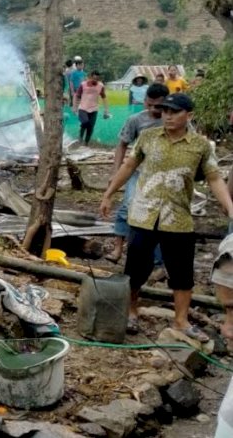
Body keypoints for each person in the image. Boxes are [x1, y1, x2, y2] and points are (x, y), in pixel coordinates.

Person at [99, 93, 233, 342]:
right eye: (164, 111)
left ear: (189, 115)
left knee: (181, 273)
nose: (167, 116)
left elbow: (214, 177)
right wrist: (108, 193)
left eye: (174, 111)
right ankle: (131, 311)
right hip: (143, 215)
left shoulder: (200, 146)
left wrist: (229, 206)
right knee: (136, 269)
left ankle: (181, 321)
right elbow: (129, 166)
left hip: (178, 218)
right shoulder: (148, 138)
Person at [108, 83, 168, 266]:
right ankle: (118, 248)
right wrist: (116, 171)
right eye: (148, 104)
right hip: (138, 172)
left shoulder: (175, 120)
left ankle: (158, 260)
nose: (152, 109)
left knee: (160, 215)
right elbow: (122, 145)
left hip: (164, 176)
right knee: (127, 206)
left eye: (157, 106)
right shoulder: (136, 120)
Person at [74, 71, 109, 145]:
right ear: (90, 77)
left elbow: (104, 98)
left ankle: (86, 143)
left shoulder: (100, 86)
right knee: (85, 122)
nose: (95, 80)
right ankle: (80, 137)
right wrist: (75, 107)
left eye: (97, 79)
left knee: (91, 127)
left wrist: (106, 110)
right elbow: (76, 95)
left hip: (94, 109)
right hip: (83, 108)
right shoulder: (83, 84)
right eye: (94, 78)